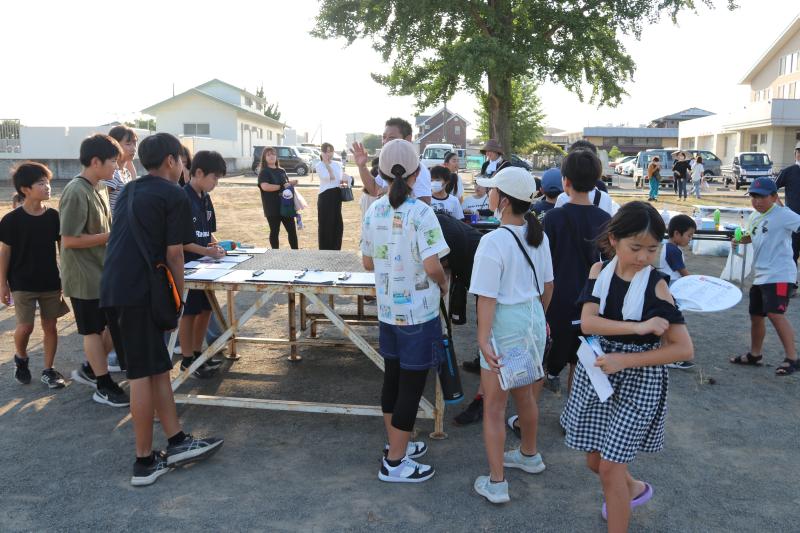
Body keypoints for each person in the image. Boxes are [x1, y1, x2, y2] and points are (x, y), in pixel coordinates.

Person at [100, 132, 223, 487]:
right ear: (172, 161)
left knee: (156, 370)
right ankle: (143, 462)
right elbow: (174, 254)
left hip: (116, 288)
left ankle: (177, 440)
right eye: (183, 160)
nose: (184, 166)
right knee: (141, 375)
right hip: (138, 293)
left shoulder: (130, 189)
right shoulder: (172, 193)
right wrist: (180, 298)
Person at [561, 201, 693, 530]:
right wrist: (637, 328)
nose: (643, 258)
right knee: (595, 459)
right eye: (636, 248)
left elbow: (683, 348)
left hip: (640, 382)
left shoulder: (657, 284)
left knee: (609, 468)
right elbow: (588, 324)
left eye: (652, 249)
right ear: (614, 239)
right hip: (600, 374)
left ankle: (621, 502)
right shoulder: (599, 272)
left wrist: (626, 359)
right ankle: (632, 488)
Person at [360, 139, 449, 483]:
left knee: (394, 379)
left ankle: (396, 445)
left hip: (387, 311)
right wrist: (442, 284)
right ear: (417, 174)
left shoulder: (374, 210)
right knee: (412, 387)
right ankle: (395, 462)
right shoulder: (422, 212)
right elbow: (432, 265)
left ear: (381, 173)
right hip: (418, 313)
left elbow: (368, 261)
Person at [468, 167, 554, 504]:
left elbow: (486, 298)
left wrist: (482, 340)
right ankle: (529, 455)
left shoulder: (493, 241)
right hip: (532, 321)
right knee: (525, 396)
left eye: (492, 191)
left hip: (505, 324)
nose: (488, 195)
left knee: (494, 407)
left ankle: (497, 482)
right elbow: (548, 286)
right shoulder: (539, 236)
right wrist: (539, 318)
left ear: (503, 201)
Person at [61, 134, 128, 407]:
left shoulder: (100, 186)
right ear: (95, 161)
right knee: (91, 330)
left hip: (103, 271)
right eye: (113, 161)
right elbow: (69, 240)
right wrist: (110, 237)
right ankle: (102, 384)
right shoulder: (75, 191)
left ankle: (91, 369)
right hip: (83, 275)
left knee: (112, 325)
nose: (116, 167)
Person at [542, 149, 612, 395]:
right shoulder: (605, 219)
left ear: (565, 181)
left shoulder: (552, 218)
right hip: (591, 302)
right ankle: (571, 417)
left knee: (545, 360)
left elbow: (543, 264)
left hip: (556, 301)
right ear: (595, 182)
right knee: (579, 363)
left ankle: (527, 420)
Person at [1, 162, 70, 388]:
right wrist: (3, 284)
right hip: (21, 282)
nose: (47, 187)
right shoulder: (11, 220)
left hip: (50, 280)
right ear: (25, 189)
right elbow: (5, 253)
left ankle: (48, 370)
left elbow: (63, 249)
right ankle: (21, 358)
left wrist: (65, 277)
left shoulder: (53, 216)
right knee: (25, 327)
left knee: (50, 326)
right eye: (41, 183)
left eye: (48, 182)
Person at [730, 177, 800, 375]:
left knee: (775, 314)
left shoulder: (784, 214)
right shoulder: (754, 216)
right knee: (756, 316)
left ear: (774, 196)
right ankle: (755, 354)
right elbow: (752, 236)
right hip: (761, 274)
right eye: (753, 196)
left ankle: (792, 358)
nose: (756, 201)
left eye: (761, 197)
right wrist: (739, 241)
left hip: (780, 273)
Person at [179, 150, 228, 379]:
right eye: (214, 177)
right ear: (198, 173)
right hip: (187, 268)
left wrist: (217, 247)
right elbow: (180, 242)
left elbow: (208, 233)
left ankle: (199, 353)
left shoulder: (205, 198)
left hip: (206, 267)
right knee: (189, 313)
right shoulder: (182, 198)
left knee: (206, 310)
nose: (216, 183)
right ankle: (187, 359)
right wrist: (207, 251)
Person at [353, 117, 432, 204]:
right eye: (384, 137)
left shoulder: (418, 169)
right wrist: (362, 166)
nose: (385, 141)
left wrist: (391, 191)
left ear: (408, 139)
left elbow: (425, 202)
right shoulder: (387, 165)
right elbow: (374, 190)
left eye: (391, 137)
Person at [659, 214, 697, 371]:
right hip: (672, 290)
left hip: (669, 288)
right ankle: (670, 356)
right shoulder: (673, 250)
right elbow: (683, 273)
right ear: (676, 234)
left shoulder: (668, 247)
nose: (690, 239)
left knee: (667, 323)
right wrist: (697, 284)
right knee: (672, 323)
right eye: (689, 235)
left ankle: (666, 353)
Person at [258, 147, 298, 249]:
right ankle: (275, 254)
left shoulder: (282, 171)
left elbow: (286, 186)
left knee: (292, 231)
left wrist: (291, 183)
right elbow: (265, 187)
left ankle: (296, 253)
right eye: (268, 155)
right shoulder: (264, 172)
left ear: (276, 156)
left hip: (286, 206)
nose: (271, 156)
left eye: (273, 154)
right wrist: (281, 187)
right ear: (264, 158)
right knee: (275, 231)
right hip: (272, 208)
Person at [316, 142, 347, 250]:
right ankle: (325, 249)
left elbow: (340, 178)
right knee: (326, 223)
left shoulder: (337, 164)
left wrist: (347, 180)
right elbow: (330, 177)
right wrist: (326, 163)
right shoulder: (319, 165)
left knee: (337, 223)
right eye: (326, 151)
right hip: (325, 196)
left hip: (337, 195)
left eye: (331, 151)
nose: (329, 154)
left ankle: (336, 248)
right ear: (322, 152)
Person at [101, 125, 138, 214]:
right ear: (115, 145)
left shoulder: (126, 172)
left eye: (135, 143)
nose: (133, 148)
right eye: (128, 144)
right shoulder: (112, 174)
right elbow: (101, 202)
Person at [775, 146, 800, 265]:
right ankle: (791, 282)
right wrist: (782, 208)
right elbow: (771, 190)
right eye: (799, 151)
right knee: (792, 253)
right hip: (793, 220)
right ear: (795, 154)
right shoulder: (788, 171)